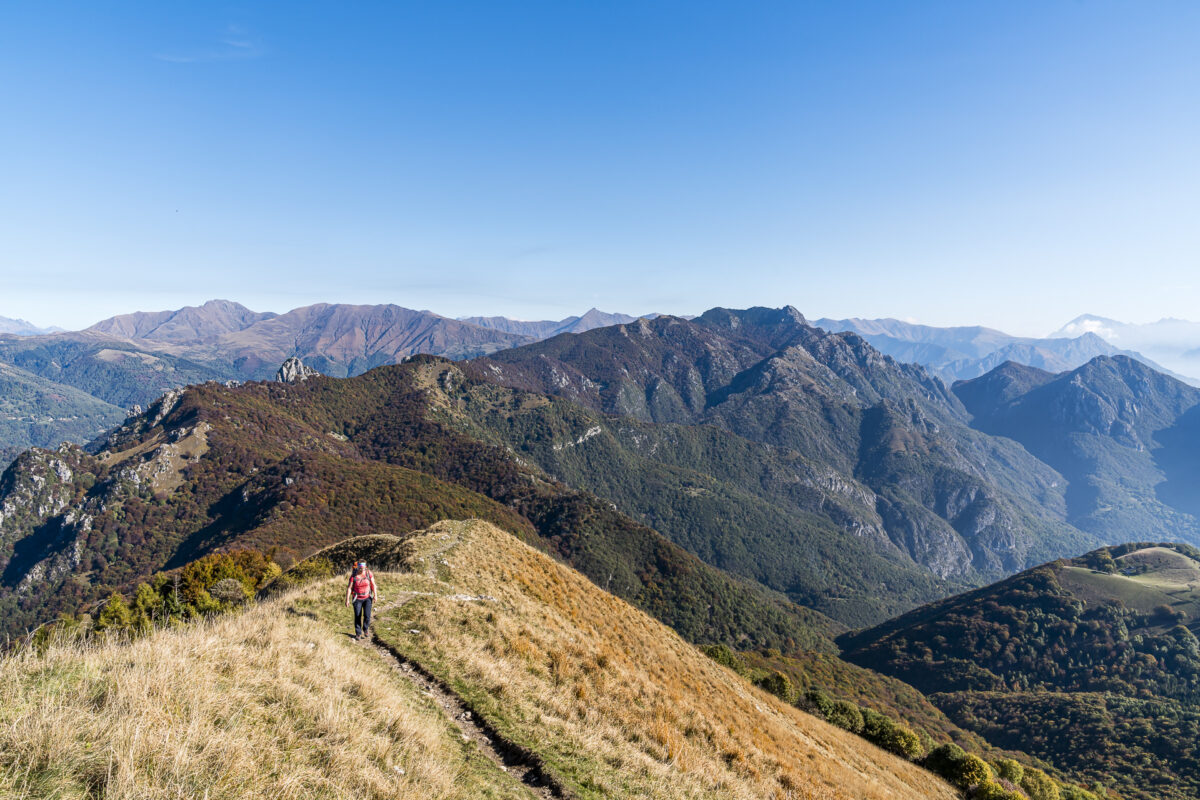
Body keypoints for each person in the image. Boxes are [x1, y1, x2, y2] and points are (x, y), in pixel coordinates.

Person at [345, 560, 377, 640]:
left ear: (365, 567)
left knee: (367, 615)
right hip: (357, 599)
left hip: (367, 598)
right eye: (360, 568)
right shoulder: (353, 576)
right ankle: (358, 633)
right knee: (357, 616)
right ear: (358, 567)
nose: (361, 569)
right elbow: (349, 588)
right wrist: (347, 600)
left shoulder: (368, 574)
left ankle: (365, 629)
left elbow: (373, 584)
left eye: (363, 568)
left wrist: (375, 595)